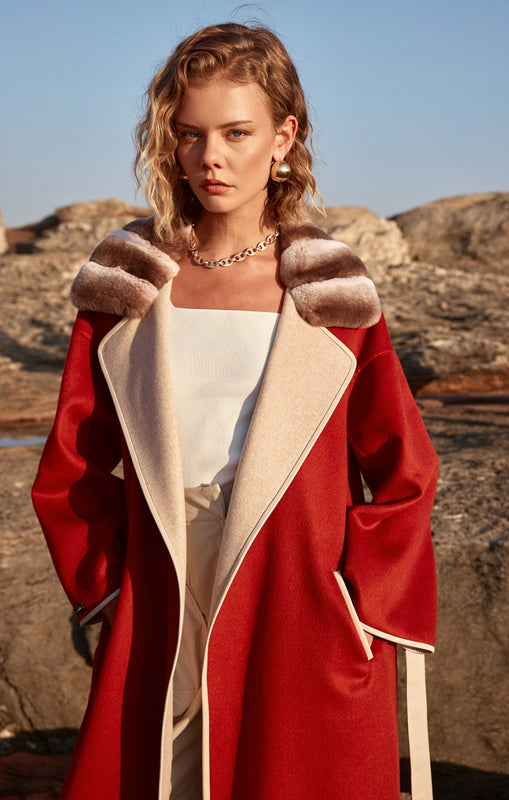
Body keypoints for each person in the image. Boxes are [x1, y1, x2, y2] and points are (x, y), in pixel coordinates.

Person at [32, 22, 438, 800]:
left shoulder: (331, 291)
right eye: (188, 135)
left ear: (284, 137)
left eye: (236, 132)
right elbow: (72, 463)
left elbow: (403, 470)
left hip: (295, 589)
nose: (210, 157)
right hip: (161, 576)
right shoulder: (126, 282)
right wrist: (108, 590)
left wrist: (357, 604)